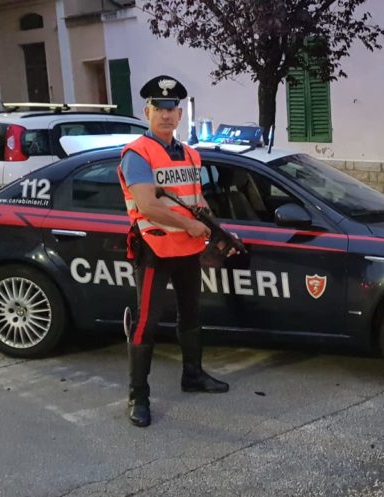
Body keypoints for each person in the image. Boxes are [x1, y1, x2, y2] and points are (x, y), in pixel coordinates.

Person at [118, 75, 230, 428]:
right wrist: (190, 226)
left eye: (171, 109)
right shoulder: (138, 153)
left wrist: (214, 224)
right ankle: (138, 396)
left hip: (186, 247)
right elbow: (148, 207)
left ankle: (193, 375)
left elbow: (196, 199)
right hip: (154, 247)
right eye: (158, 108)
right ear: (146, 111)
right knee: (146, 323)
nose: (165, 115)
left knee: (191, 315)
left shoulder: (192, 154)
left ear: (180, 114)